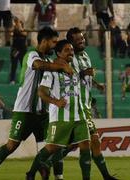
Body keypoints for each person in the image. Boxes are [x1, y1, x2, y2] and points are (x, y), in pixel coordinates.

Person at [0, 27, 73, 180]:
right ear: (44, 41)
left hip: (43, 113)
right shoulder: (31, 55)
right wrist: (62, 66)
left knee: (55, 145)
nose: (56, 45)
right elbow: (38, 65)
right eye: (54, 42)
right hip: (24, 111)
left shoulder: (50, 61)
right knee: (12, 146)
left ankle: (58, 177)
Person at [26, 40, 91, 180]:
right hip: (61, 117)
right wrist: (56, 102)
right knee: (51, 148)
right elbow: (41, 92)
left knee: (86, 145)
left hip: (79, 115)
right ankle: (31, 174)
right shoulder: (52, 72)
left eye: (72, 50)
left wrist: (86, 72)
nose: (71, 53)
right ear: (59, 53)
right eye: (67, 50)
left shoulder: (75, 68)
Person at [9, 17, 27, 84]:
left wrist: (19, 27)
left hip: (22, 50)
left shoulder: (24, 30)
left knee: (23, 65)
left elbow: (24, 34)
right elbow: (10, 34)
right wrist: (14, 27)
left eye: (18, 23)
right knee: (14, 65)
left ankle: (24, 79)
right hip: (15, 50)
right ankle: (12, 79)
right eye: (16, 23)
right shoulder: (13, 31)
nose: (17, 24)